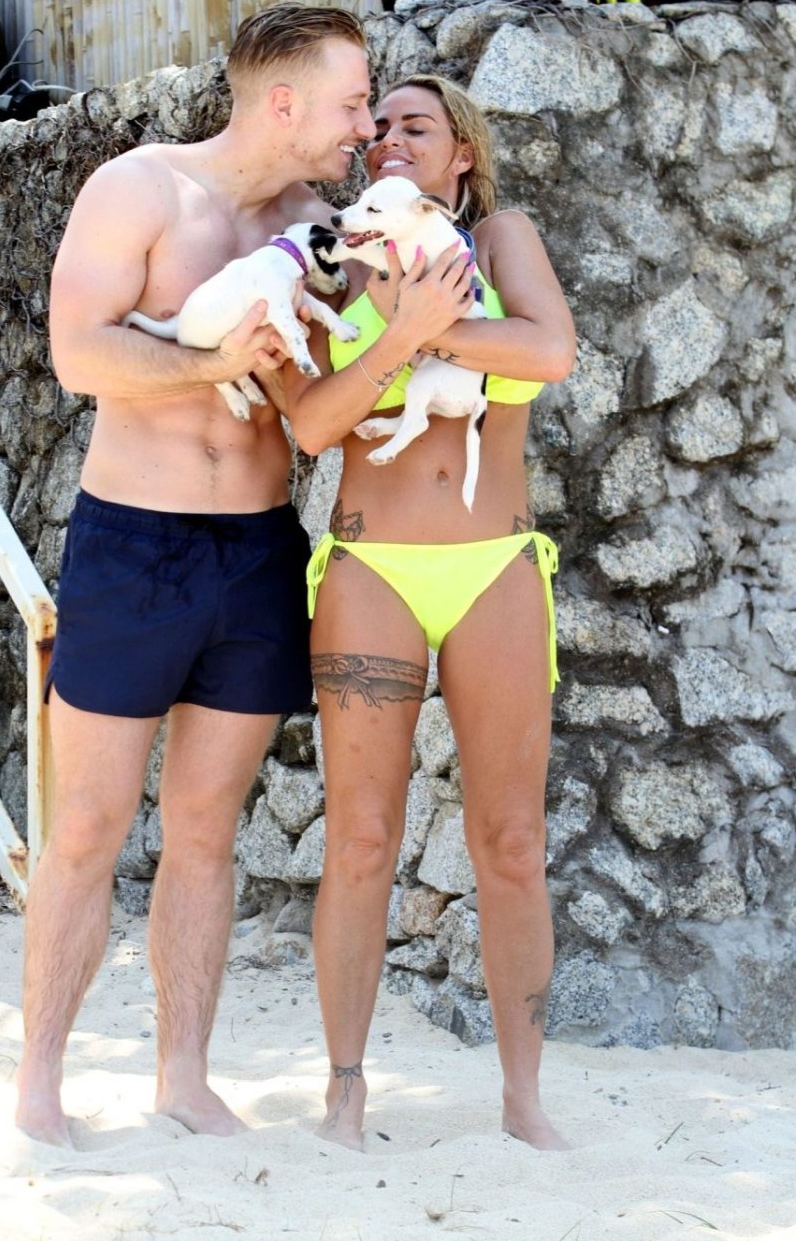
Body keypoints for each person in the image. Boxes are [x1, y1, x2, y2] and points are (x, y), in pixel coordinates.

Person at [14, 3, 375, 1147]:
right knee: (87, 825)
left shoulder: (318, 227)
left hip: (257, 548)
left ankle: (182, 1075)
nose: (363, 126)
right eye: (352, 102)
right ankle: (38, 1084)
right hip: (134, 541)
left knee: (206, 828)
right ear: (284, 101)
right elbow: (79, 351)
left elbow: (323, 395)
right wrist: (209, 357)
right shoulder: (142, 190)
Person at [279, 75, 576, 1151]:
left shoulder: (499, 240)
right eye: (381, 128)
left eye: (418, 126)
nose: (390, 141)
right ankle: (344, 1090)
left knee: (513, 842)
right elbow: (314, 422)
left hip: (497, 566)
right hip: (372, 568)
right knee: (361, 838)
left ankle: (523, 1097)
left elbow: (547, 351)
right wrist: (406, 329)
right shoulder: (333, 258)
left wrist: (427, 333)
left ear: (463, 153)